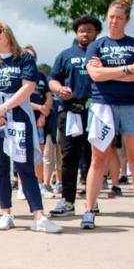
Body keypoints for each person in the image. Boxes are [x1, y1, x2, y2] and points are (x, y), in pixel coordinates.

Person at [0, 22, 62, 233]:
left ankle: (39, 217)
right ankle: (5, 213)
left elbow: (28, 86)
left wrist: (4, 107)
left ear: (7, 32)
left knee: (24, 167)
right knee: (0, 168)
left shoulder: (23, 58)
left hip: (18, 116)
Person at [83, 0, 134, 230]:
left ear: (126, 20)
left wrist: (110, 72)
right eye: (110, 17)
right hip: (102, 105)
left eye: (118, 18)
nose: (113, 22)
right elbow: (95, 75)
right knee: (99, 160)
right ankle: (89, 210)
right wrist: (128, 69)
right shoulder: (96, 45)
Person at [47, 15, 101, 216]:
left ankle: (92, 201)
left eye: (89, 30)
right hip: (70, 112)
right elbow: (53, 80)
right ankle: (67, 201)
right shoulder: (65, 55)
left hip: (96, 111)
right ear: (76, 33)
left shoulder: (101, 53)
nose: (85, 34)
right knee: (69, 157)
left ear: (96, 32)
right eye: (81, 30)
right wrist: (59, 89)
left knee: (94, 157)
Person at [19, 45, 55, 199]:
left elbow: (48, 96)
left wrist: (44, 111)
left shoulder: (40, 76)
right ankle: (22, 187)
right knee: (21, 154)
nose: (30, 59)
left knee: (38, 153)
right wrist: (39, 107)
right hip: (22, 118)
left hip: (40, 121)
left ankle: (40, 184)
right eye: (26, 56)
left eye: (32, 57)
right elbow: (20, 99)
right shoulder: (19, 76)